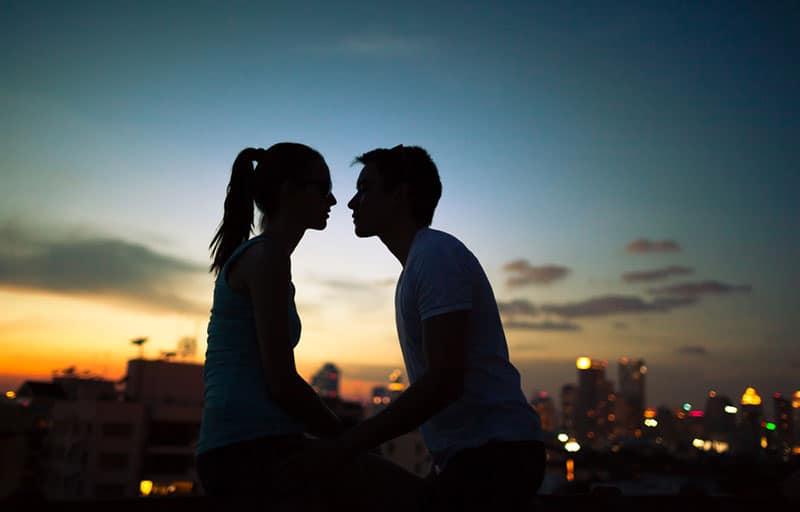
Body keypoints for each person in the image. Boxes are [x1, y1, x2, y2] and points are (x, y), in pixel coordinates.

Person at [318, 144, 545, 510]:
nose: (352, 203)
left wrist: (348, 442)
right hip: (474, 458)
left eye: (366, 188)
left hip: (496, 458)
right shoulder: (420, 264)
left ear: (401, 194)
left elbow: (444, 382)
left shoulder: (436, 256)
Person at [195, 143, 422, 509]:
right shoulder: (266, 258)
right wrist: (348, 437)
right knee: (413, 497)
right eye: (322, 188)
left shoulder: (268, 258)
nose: (333, 200)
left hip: (253, 446)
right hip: (248, 453)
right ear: (288, 191)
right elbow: (282, 382)